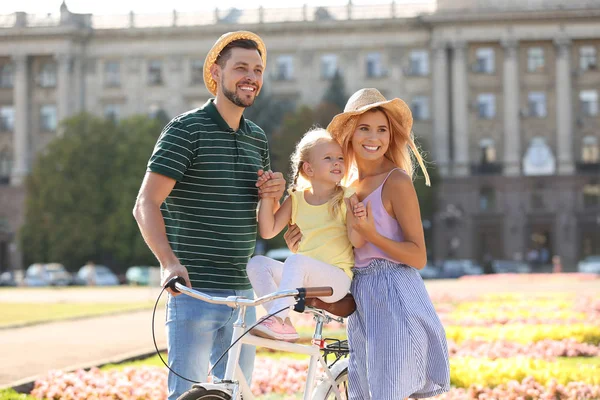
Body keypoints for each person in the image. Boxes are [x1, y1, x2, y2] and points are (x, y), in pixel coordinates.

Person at [132, 31, 286, 400]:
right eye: (241, 68)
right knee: (186, 397)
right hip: (195, 292)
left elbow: (266, 224)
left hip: (242, 295)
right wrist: (168, 263)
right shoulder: (187, 130)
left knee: (236, 395)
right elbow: (145, 204)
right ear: (217, 72)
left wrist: (273, 196)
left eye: (258, 70)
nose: (251, 76)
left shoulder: (257, 138)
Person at [288, 88, 451, 399]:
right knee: (365, 392)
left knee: (388, 392)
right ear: (350, 134)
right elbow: (338, 248)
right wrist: (299, 244)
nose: (373, 137)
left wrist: (372, 232)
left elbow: (418, 257)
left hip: (395, 293)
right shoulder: (346, 189)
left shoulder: (396, 181)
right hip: (362, 297)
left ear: (391, 136)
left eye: (382, 129)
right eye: (364, 128)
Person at [247, 128, 366, 342]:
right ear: (308, 169)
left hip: (336, 280)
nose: (337, 162)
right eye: (328, 158)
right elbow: (268, 230)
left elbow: (358, 239)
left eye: (340, 158)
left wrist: (358, 218)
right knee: (256, 264)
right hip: (303, 276)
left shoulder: (347, 197)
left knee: (296, 261)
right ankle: (283, 322)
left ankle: (276, 317)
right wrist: (267, 195)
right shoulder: (296, 199)